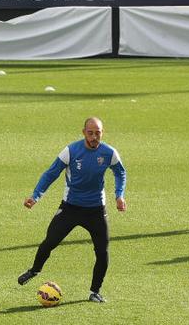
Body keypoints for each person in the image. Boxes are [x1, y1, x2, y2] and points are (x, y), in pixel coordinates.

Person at [16, 117, 127, 303]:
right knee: (49, 241)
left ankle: (95, 291)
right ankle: (34, 270)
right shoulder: (71, 151)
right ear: (83, 132)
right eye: (90, 133)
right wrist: (35, 196)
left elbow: (120, 172)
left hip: (96, 210)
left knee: (102, 251)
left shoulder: (109, 153)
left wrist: (119, 195)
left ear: (102, 132)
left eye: (97, 133)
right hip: (70, 208)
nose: (94, 137)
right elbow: (51, 173)